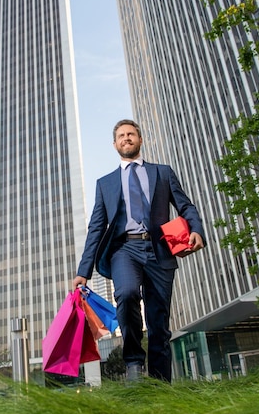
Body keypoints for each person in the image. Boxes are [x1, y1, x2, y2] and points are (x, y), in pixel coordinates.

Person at [72, 119, 206, 382]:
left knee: (158, 321)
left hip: (159, 250)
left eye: (131, 134)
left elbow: (185, 206)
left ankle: (160, 384)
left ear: (140, 139)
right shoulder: (106, 183)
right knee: (127, 292)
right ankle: (133, 362)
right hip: (125, 249)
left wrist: (197, 229)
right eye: (121, 135)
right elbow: (96, 228)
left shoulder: (163, 173)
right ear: (114, 144)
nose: (126, 138)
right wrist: (83, 272)